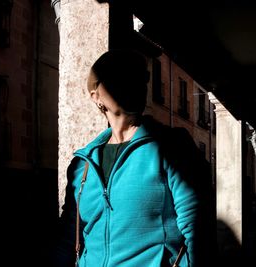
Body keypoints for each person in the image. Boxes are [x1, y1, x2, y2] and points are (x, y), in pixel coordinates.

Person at [53, 49, 215, 267]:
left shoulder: (173, 147)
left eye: (141, 76)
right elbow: (67, 239)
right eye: (120, 75)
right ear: (96, 96)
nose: (135, 82)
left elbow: (198, 233)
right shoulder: (83, 164)